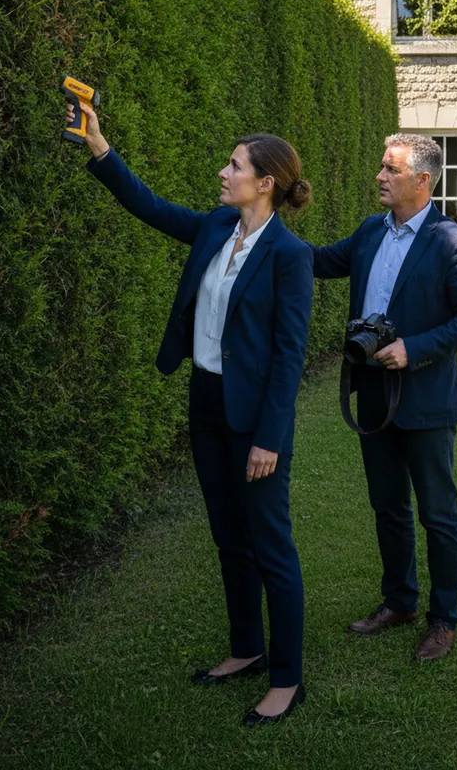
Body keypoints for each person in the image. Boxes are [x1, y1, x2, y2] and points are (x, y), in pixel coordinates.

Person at [65, 97, 313, 726]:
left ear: (265, 183)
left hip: (255, 419)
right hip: (205, 401)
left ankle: (286, 679)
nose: (222, 174)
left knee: (270, 546)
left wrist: (270, 439)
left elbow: (288, 357)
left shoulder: (289, 256)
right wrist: (99, 146)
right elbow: (148, 207)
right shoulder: (213, 228)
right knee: (229, 537)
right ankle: (245, 650)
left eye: (234, 166)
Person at [310, 133, 457, 661]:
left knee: (438, 514)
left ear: (422, 181)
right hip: (372, 396)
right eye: (382, 168)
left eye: (390, 169)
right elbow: (321, 262)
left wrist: (414, 348)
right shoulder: (369, 231)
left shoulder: (453, 242)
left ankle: (444, 619)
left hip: (427, 401)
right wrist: (265, 222)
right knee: (387, 507)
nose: (379, 177)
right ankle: (399, 602)